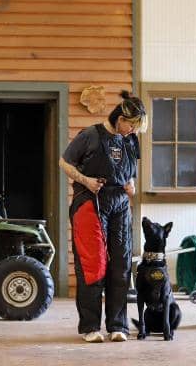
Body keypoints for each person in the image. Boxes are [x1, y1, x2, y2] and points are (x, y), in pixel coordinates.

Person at [59, 90, 148, 343]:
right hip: (90, 202)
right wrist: (85, 180)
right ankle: (90, 327)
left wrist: (131, 185)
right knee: (93, 265)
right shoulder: (90, 135)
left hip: (120, 204)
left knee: (120, 266)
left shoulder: (130, 140)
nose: (132, 131)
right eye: (131, 126)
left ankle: (117, 325)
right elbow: (64, 162)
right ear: (120, 119)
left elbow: (130, 173)